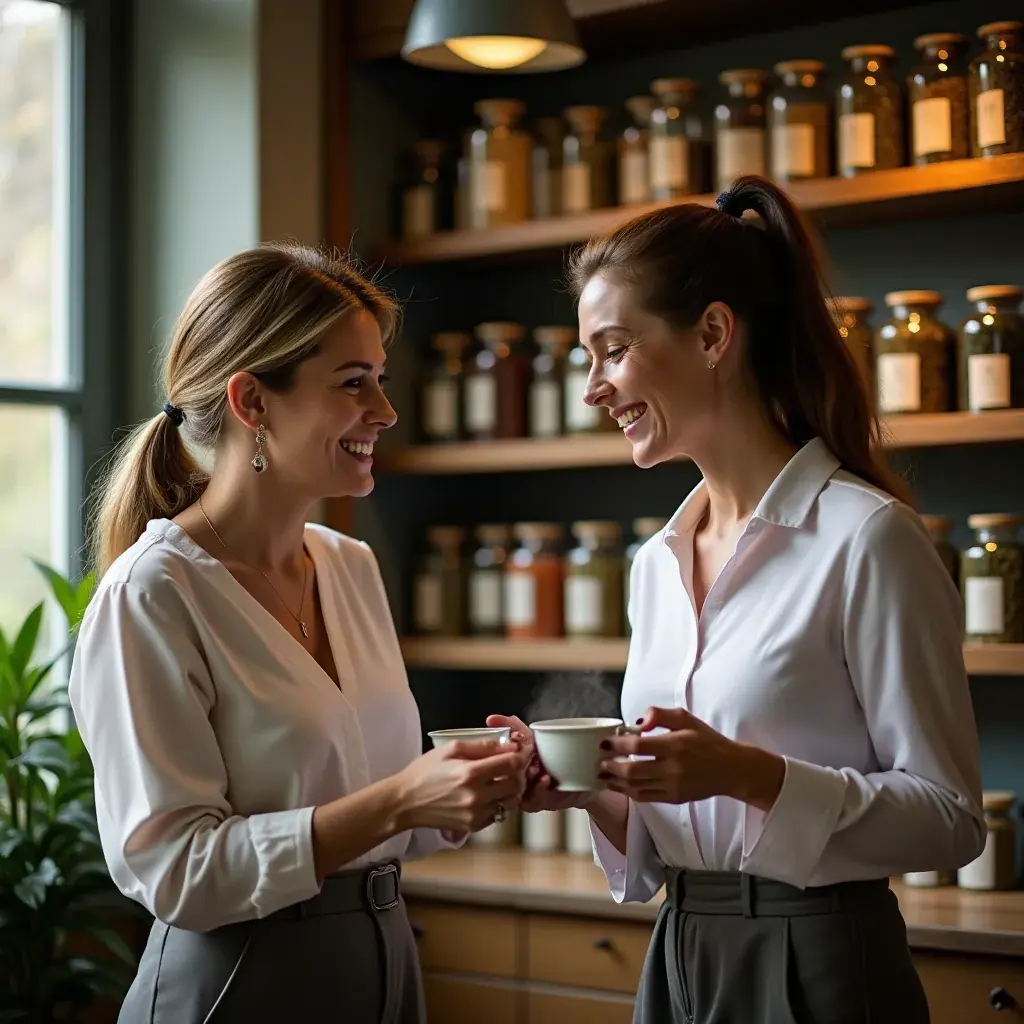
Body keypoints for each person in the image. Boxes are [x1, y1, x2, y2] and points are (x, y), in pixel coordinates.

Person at [489, 176, 985, 1024]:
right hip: (679, 956)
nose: (593, 389)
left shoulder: (869, 540)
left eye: (612, 350)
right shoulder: (655, 565)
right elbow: (670, 832)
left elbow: (949, 821)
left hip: (822, 961)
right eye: (586, 359)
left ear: (714, 333)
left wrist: (749, 775)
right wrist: (585, 786)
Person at [70, 243, 526, 1024]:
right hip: (238, 982)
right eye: (354, 385)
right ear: (252, 402)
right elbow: (179, 873)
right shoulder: (153, 594)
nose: (383, 411)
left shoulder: (349, 567)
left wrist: (468, 790)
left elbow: (377, 812)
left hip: (382, 968)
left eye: (380, 380)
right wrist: (398, 801)